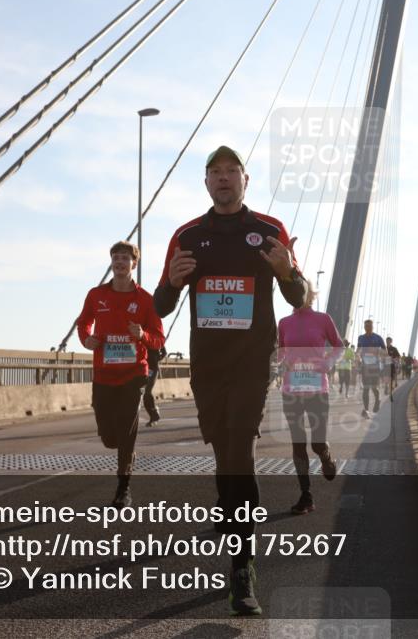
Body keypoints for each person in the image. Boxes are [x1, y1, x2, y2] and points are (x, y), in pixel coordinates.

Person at [153, 145, 308, 617]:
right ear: (206, 183)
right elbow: (158, 306)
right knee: (223, 446)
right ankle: (230, 505)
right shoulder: (187, 235)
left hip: (251, 362)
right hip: (207, 364)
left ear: (245, 180)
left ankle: (242, 567)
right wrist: (174, 285)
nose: (223, 179)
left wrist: (285, 271)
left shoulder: (268, 231)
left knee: (240, 447)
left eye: (231, 172)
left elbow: (298, 295)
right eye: (214, 173)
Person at [76, 241, 164, 509]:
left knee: (127, 434)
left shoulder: (146, 300)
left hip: (134, 374)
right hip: (104, 374)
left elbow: (159, 339)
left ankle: (123, 489)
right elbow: (83, 322)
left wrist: (143, 335)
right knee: (109, 437)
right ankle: (114, 444)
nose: (119, 262)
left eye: (125, 258)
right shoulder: (96, 295)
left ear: (134, 264)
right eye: (115, 258)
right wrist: (86, 339)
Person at [277, 288, 341, 515]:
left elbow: (338, 346)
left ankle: (325, 455)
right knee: (298, 443)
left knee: (316, 443)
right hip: (291, 389)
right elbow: (281, 353)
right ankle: (306, 495)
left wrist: (328, 363)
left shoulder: (324, 319)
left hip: (317, 388)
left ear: (309, 294)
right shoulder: (284, 322)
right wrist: (276, 360)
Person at [356, 319, 385, 418]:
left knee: (374, 388)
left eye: (369, 326)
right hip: (365, 367)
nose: (367, 328)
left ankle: (378, 400)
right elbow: (358, 350)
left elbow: (385, 352)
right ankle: (367, 410)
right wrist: (358, 357)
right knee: (366, 388)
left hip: (375, 367)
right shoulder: (361, 338)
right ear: (364, 327)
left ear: (372, 327)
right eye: (366, 326)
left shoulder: (378, 338)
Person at [143, 345, 167, 427]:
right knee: (144, 395)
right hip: (145, 368)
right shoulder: (142, 338)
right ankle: (152, 416)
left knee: (147, 391)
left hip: (153, 368)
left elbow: (164, 353)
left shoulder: (157, 338)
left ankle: (154, 413)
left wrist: (156, 359)